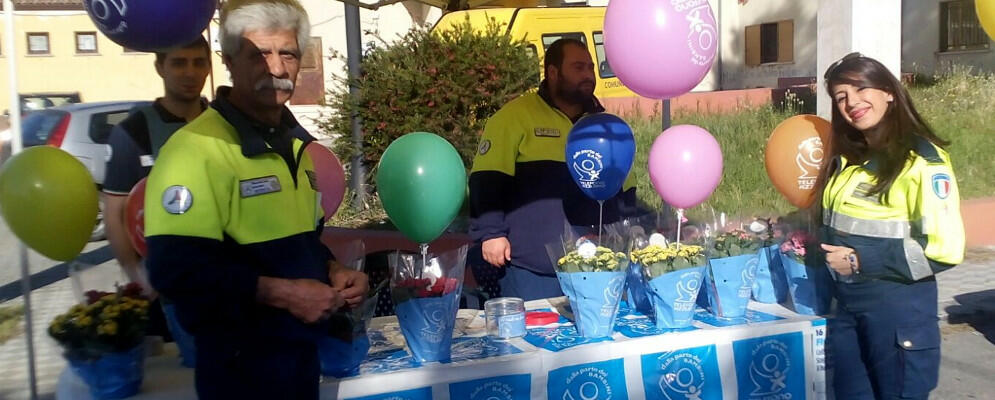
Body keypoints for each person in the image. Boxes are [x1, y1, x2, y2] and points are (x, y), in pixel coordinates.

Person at [144, 1, 368, 398]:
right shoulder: (195, 149)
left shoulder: (294, 144)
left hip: (299, 361)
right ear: (229, 61)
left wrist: (331, 270)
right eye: (260, 54)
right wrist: (285, 294)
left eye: (288, 54)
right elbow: (175, 271)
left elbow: (298, 243)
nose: (277, 69)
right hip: (237, 370)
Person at [818, 53, 964, 400]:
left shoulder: (922, 163)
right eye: (841, 97)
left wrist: (860, 260)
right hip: (848, 313)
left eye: (860, 88)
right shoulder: (851, 162)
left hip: (899, 313)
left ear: (888, 92)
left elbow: (946, 249)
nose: (852, 102)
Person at [468, 38, 636, 301]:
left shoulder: (605, 126)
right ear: (553, 72)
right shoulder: (513, 118)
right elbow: (486, 181)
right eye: (578, 67)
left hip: (596, 265)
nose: (588, 76)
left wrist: (629, 234)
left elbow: (625, 187)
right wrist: (490, 234)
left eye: (591, 68)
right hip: (533, 269)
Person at [101, 37, 212, 345]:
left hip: (226, 283)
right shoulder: (132, 132)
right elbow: (115, 214)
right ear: (159, 67)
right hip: (165, 292)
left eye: (198, 62)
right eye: (178, 63)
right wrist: (139, 277)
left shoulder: (227, 123)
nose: (189, 73)